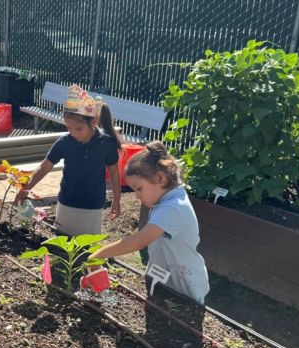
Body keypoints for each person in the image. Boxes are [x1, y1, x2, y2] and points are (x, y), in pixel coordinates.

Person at [88, 141, 210, 305]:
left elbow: (139, 241)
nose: (137, 196)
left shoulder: (174, 208)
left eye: (139, 188)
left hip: (185, 287)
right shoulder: (164, 201)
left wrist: (99, 254)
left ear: (160, 178)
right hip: (163, 279)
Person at [15, 84, 121, 236]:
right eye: (68, 128)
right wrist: (26, 188)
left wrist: (116, 200)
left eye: (78, 129)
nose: (73, 133)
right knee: (63, 243)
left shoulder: (106, 144)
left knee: (86, 248)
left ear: (94, 122)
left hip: (93, 205)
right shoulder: (64, 142)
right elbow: (44, 167)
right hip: (67, 202)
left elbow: (115, 174)